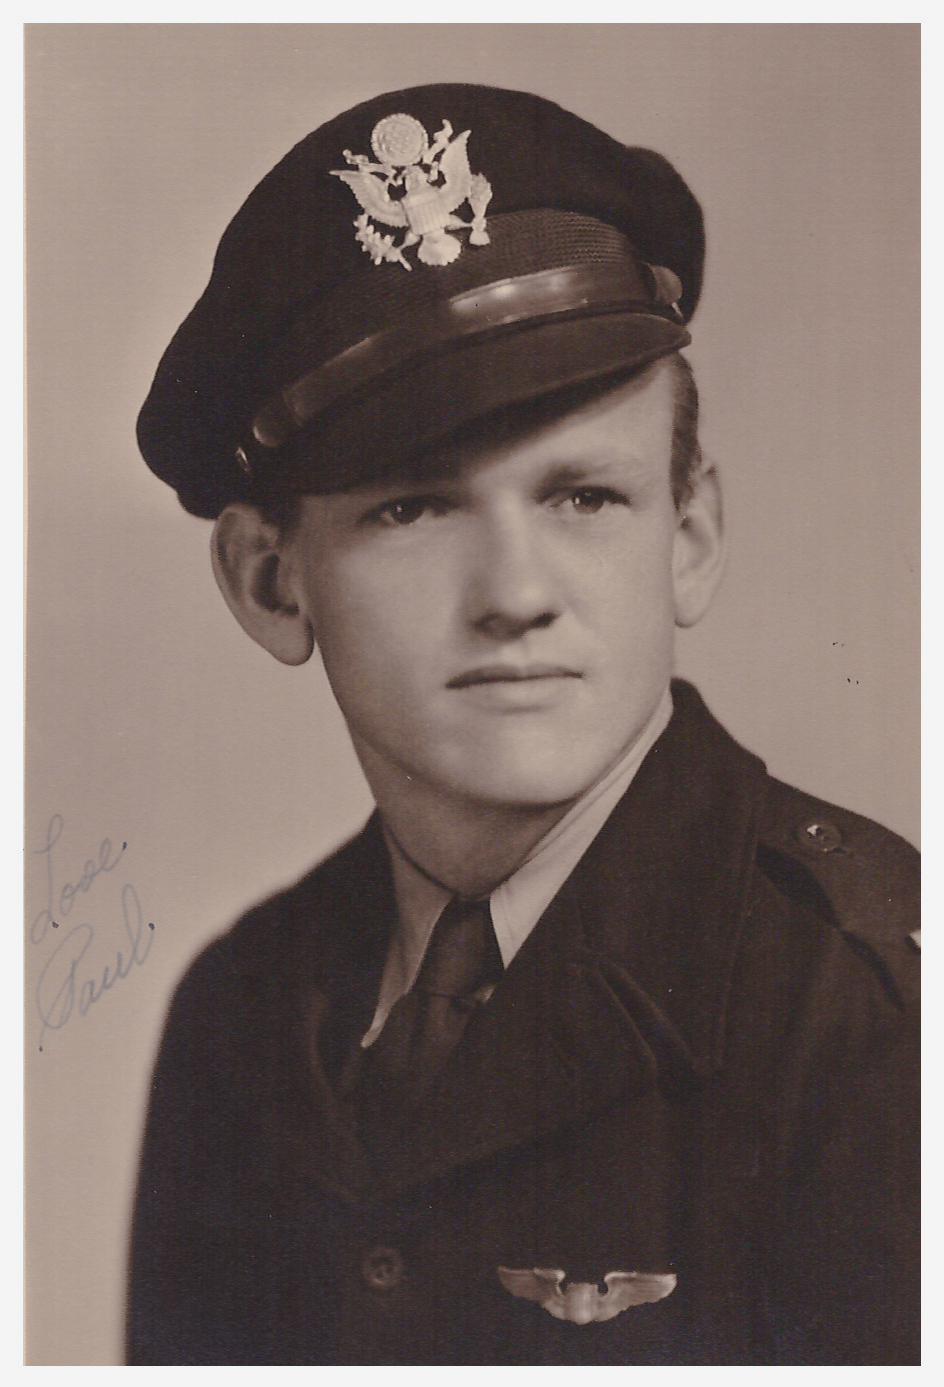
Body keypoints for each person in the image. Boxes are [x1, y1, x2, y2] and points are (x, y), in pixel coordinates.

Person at [126, 83, 919, 1365]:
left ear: (689, 537)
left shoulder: (873, 1011)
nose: (513, 595)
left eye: (583, 497)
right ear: (271, 583)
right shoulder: (243, 1011)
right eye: (412, 508)